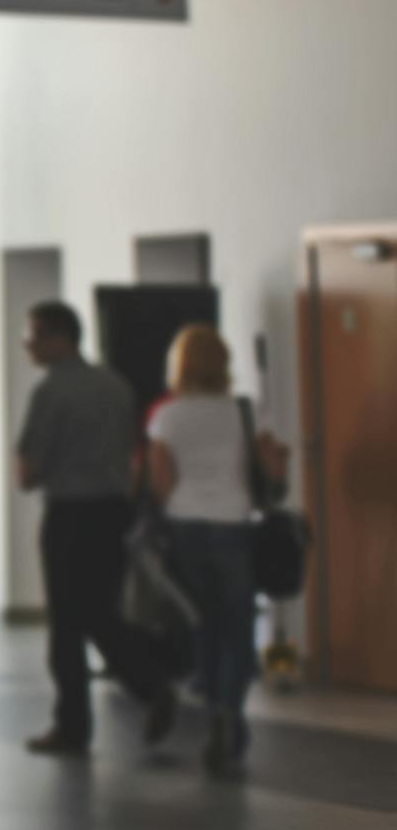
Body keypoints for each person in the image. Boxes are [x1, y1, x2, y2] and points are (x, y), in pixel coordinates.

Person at [16, 300, 178, 757]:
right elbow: (132, 452)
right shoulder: (116, 386)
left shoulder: (50, 392)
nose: (28, 344)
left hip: (70, 514)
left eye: (34, 334)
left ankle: (74, 726)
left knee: (68, 624)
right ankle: (150, 684)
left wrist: (35, 470)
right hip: (113, 513)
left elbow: (29, 469)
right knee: (102, 612)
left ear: (58, 338)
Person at [147, 324, 288, 775]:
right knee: (237, 627)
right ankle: (230, 713)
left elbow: (160, 482)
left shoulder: (167, 417)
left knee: (202, 626)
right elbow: (274, 467)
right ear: (224, 363)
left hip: (186, 530)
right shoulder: (244, 412)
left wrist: (180, 504)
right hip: (234, 527)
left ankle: (213, 716)